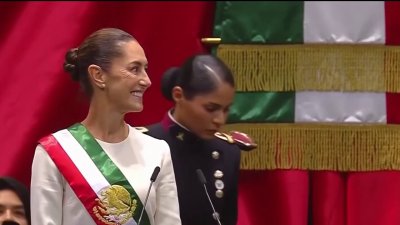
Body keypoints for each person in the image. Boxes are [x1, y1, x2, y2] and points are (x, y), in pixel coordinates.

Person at [30, 28, 181, 225]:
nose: (147, 80)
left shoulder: (157, 151)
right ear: (98, 75)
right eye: (135, 69)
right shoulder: (53, 152)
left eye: (145, 69)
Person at [144, 54, 256, 225]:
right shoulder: (143, 143)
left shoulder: (227, 150)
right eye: (211, 108)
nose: (220, 120)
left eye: (226, 110)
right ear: (178, 95)